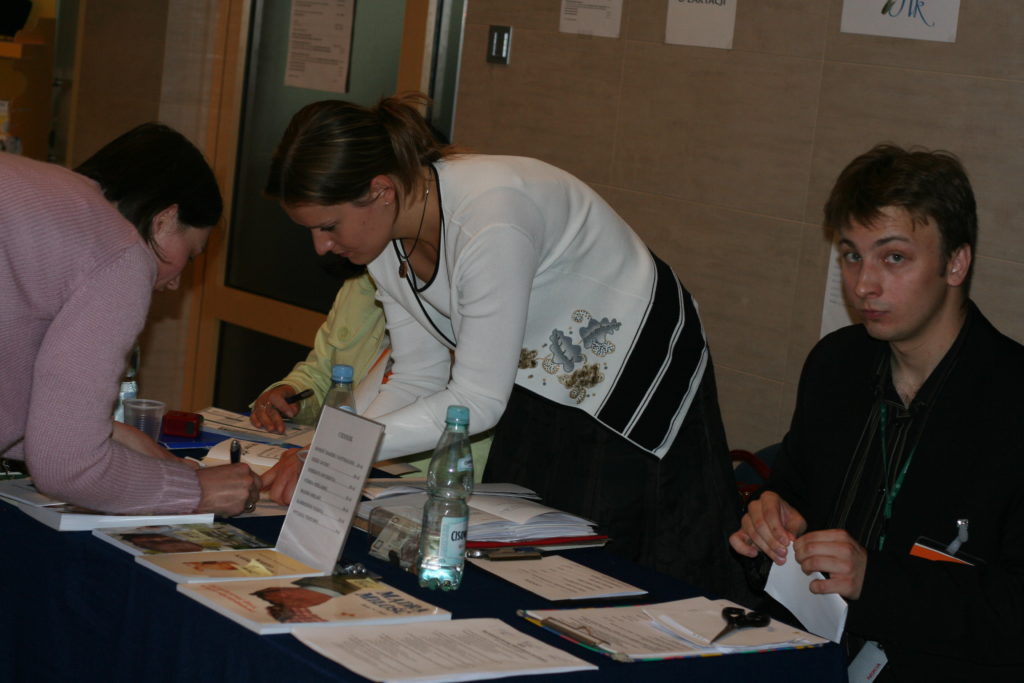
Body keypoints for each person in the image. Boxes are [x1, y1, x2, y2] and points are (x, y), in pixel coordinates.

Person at [259, 93, 748, 600]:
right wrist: (335, 452)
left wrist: (334, 452)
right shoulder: (386, 241)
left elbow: (476, 402)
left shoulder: (490, 216)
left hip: (633, 369)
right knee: (526, 542)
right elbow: (417, 376)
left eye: (328, 226)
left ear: (381, 190)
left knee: (615, 560)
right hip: (539, 372)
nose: (322, 247)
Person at [729, 144, 1024, 679]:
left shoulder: (1010, 399)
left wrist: (875, 581)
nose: (863, 284)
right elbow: (792, 491)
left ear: (956, 262)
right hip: (802, 655)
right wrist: (770, 521)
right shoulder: (836, 365)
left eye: (894, 258)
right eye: (851, 255)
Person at [0, 123, 260, 516]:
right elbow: (68, 469)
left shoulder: (49, 195)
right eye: (190, 255)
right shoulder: (120, 253)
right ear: (165, 219)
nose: (176, 284)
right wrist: (196, 491)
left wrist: (109, 433)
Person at [246, 269, 491, 484]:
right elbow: (324, 371)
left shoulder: (471, 290)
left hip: (428, 478)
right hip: (341, 462)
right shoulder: (359, 284)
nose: (324, 247)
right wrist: (292, 390)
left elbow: (418, 382)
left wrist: (330, 451)